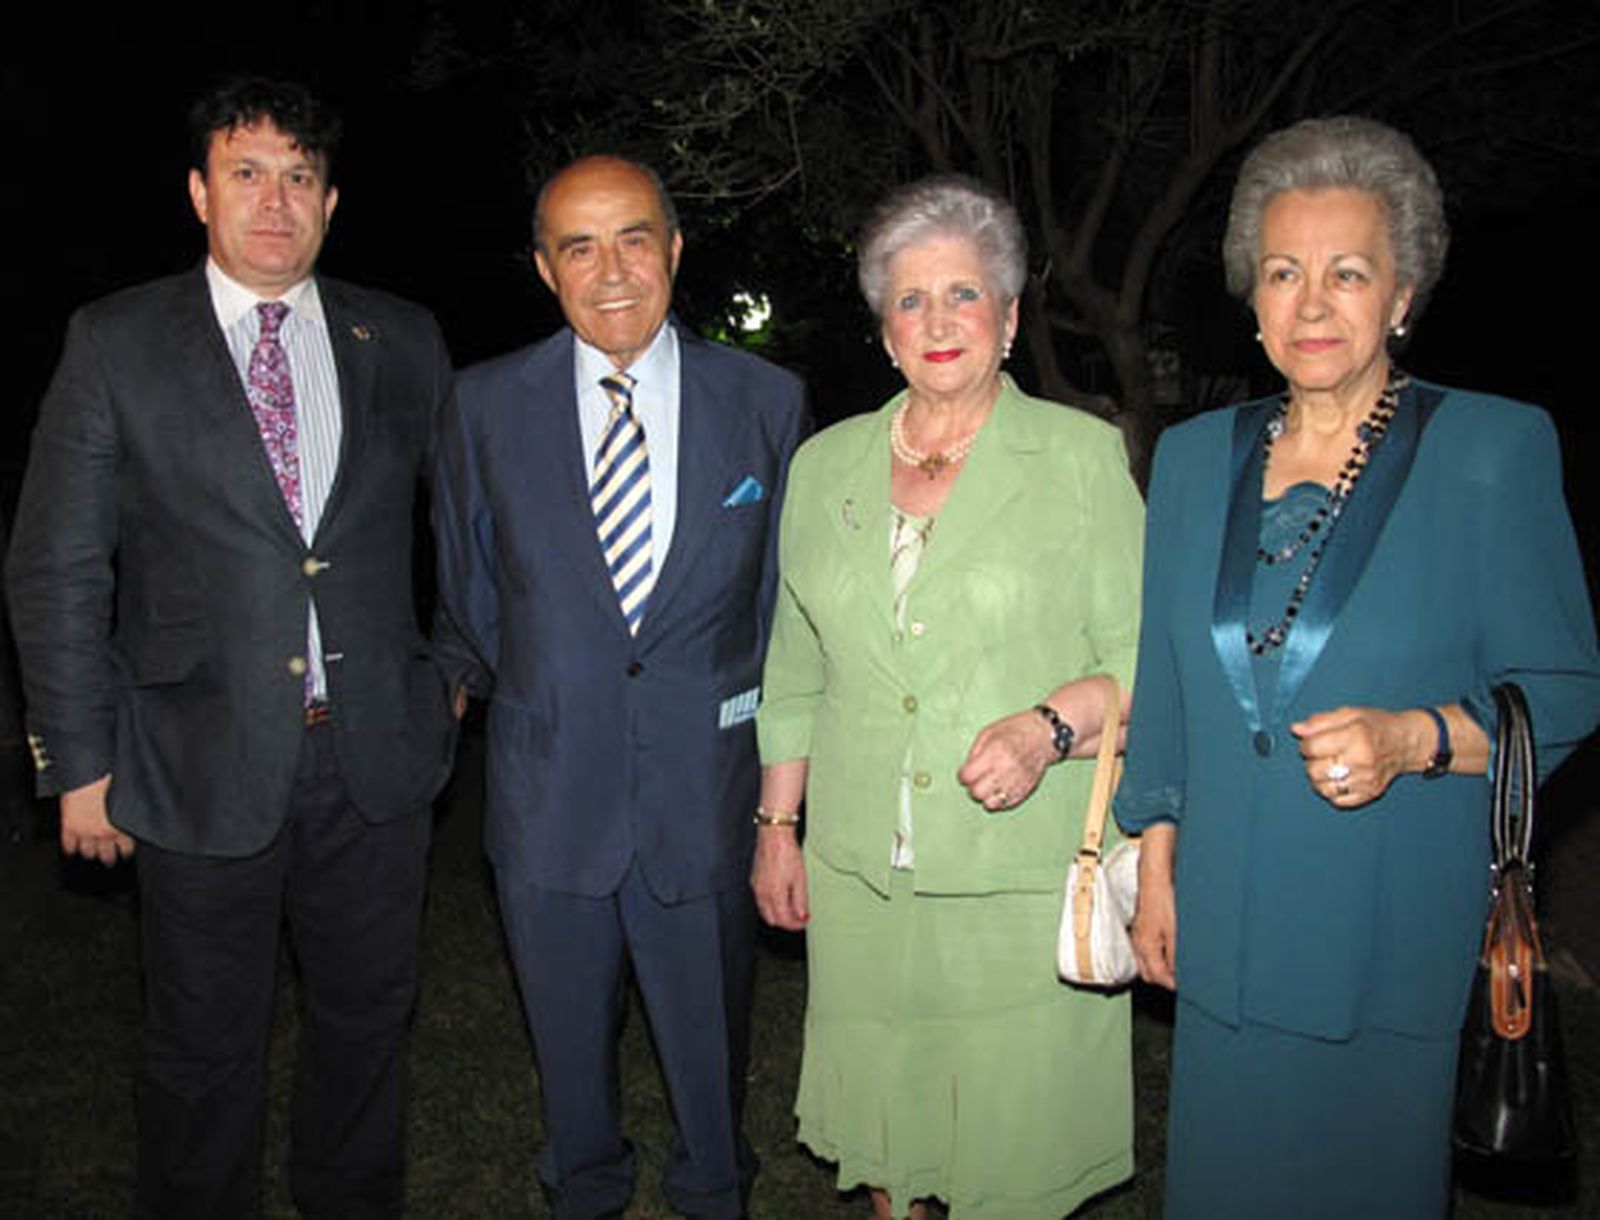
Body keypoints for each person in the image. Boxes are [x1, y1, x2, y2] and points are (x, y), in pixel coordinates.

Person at [1117, 115, 1600, 1218]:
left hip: (1384, 925)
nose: (1312, 302)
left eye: (1348, 272)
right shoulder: (1194, 459)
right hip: (1225, 925)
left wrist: (1412, 736)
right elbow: (1172, 679)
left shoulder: (1491, 445)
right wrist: (1154, 864)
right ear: (1251, 296)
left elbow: (1567, 685)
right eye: (1283, 272)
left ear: (1402, 293)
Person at [5, 78, 460, 1217]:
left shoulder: (398, 336)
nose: (274, 199)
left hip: (375, 760)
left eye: (299, 176)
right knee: (201, 1052)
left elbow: (472, 525)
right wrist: (79, 760)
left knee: (365, 1029)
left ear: (332, 199)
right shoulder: (115, 340)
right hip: (188, 755)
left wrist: (457, 671)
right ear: (200, 190)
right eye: (247, 172)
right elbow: (57, 564)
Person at [753, 175, 1145, 1220]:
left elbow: (1143, 659)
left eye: (964, 294)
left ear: (1010, 317)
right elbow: (794, 666)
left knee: (1001, 1157)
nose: (938, 321)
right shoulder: (823, 464)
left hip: (1011, 877)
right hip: (859, 878)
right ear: (883, 331)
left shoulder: (1079, 460)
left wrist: (1047, 726)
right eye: (911, 299)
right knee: (892, 1140)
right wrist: (777, 826)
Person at [433, 154, 808, 1220]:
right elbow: (472, 599)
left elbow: (783, 608)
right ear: (545, 268)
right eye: (578, 245)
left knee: (711, 1062)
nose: (610, 269)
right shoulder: (481, 405)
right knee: (569, 1081)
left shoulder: (767, 401)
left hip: (707, 797)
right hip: (549, 800)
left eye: (633, 236)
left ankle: (713, 1192)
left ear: (675, 249)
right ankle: (584, 1193)